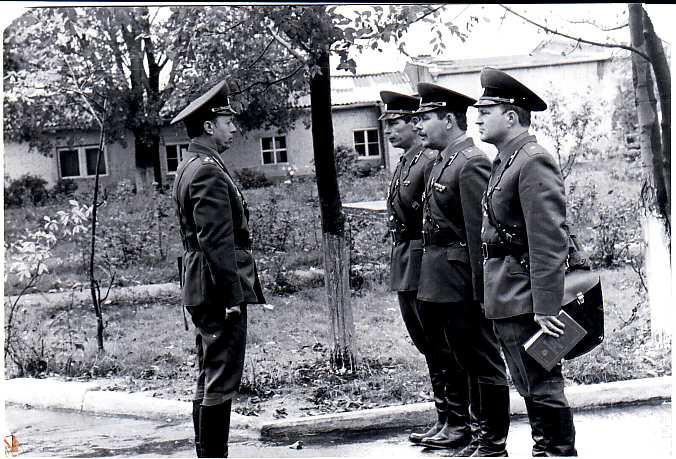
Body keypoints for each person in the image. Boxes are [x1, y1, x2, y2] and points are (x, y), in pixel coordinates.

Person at [475, 67, 577, 456]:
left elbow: (549, 237)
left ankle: (556, 453)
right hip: (509, 291)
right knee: (529, 384)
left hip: (529, 298)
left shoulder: (532, 160)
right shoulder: (507, 158)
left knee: (542, 384)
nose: (478, 117)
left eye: (487, 110)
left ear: (512, 115)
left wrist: (547, 304)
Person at [413, 83, 510, 456]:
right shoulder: (442, 160)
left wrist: (481, 290)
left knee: (483, 362)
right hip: (439, 281)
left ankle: (493, 442)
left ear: (449, 120)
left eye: (426, 119)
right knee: (463, 360)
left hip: (460, 284)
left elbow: (476, 235)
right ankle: (474, 434)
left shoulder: (471, 163)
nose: (419, 126)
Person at [171, 79, 266, 458]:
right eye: (228, 120)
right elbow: (217, 240)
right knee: (222, 375)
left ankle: (206, 453)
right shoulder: (208, 171)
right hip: (216, 285)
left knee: (208, 372)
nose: (235, 127)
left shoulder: (191, 164)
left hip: (200, 281)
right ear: (209, 126)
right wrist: (232, 297)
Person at [379, 91, 472, 448]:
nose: (389, 130)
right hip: (408, 262)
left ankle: (457, 420)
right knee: (428, 345)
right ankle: (445, 417)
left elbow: (433, 218)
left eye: (396, 123)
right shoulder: (407, 161)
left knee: (441, 345)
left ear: (415, 126)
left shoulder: (429, 161)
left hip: (425, 262)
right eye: (387, 123)